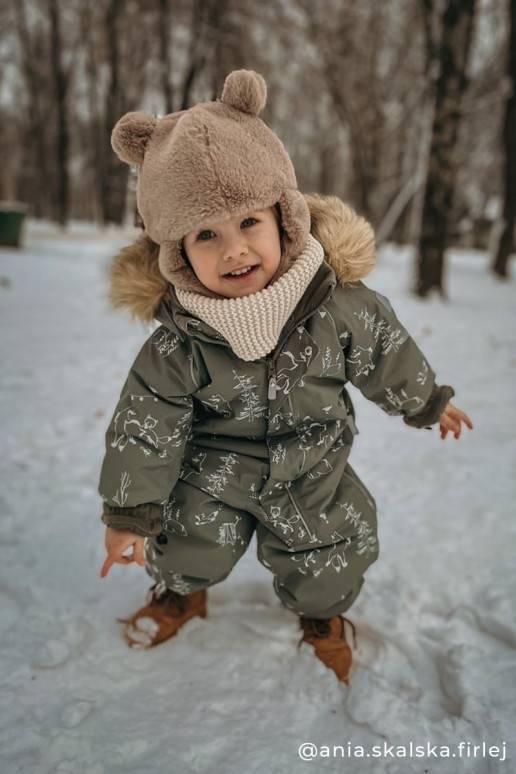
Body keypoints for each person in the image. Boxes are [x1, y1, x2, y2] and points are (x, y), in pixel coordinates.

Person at [98, 69, 473, 684]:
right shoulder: (180, 342)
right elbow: (144, 425)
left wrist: (427, 402)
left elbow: (386, 351)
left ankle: (322, 615)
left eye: (250, 223)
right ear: (178, 254)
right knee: (190, 538)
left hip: (312, 464)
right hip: (212, 472)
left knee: (333, 547)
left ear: (285, 219)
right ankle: (182, 592)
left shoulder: (340, 306)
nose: (234, 250)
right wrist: (128, 514)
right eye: (206, 235)